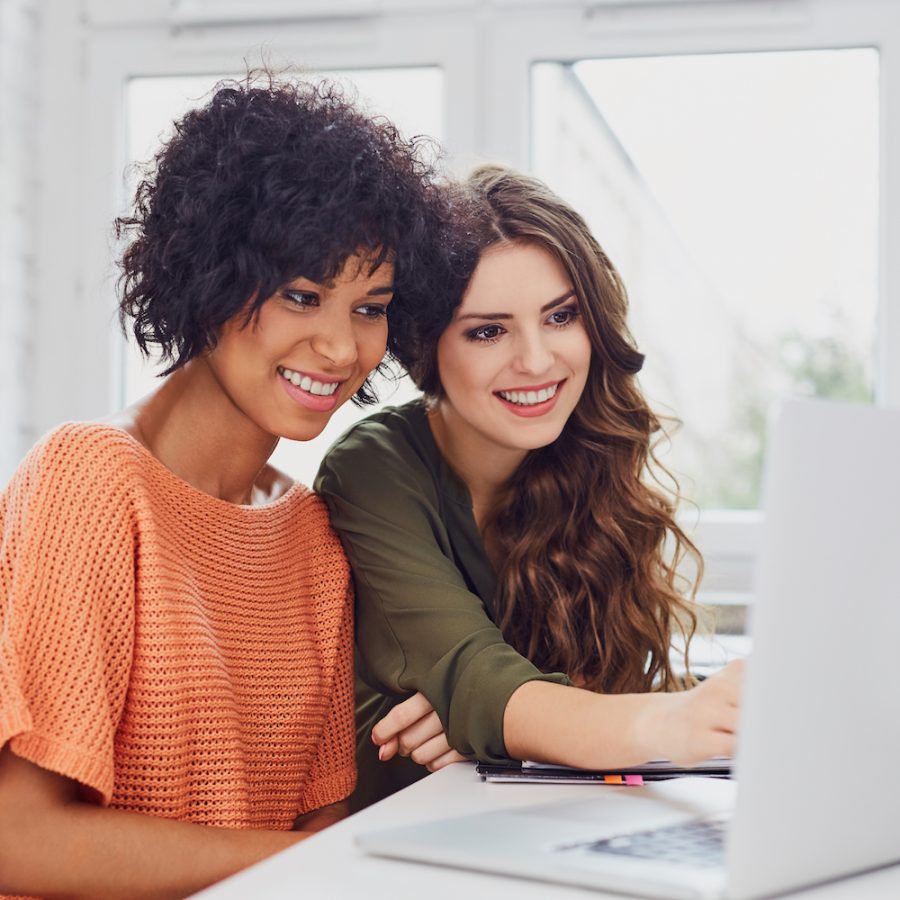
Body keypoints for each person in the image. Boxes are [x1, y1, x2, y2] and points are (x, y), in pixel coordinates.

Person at [0, 74, 449, 897]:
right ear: (208, 277)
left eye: (369, 307)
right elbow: (15, 839)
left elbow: (314, 831)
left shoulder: (312, 537)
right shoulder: (92, 481)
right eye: (302, 296)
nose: (342, 349)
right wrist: (334, 865)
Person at [315, 165, 743, 811]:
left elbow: (566, 699)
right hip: (393, 845)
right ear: (424, 346)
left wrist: (495, 726)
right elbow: (478, 679)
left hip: (546, 825)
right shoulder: (374, 468)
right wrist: (499, 712)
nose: (538, 360)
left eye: (561, 316)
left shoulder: (588, 456)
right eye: (488, 330)